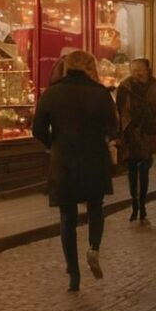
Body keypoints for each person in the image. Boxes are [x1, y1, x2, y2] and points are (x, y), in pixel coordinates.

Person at [33, 51, 118, 292]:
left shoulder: (52, 93)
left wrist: (53, 144)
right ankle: (93, 247)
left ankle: (74, 272)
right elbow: (113, 127)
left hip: (64, 161)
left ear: (66, 67)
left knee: (67, 217)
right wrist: (102, 138)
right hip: (93, 158)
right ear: (90, 68)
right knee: (95, 207)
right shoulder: (101, 94)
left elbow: (37, 128)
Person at [115, 57, 156, 224]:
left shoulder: (154, 86)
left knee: (144, 170)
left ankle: (143, 207)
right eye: (134, 69)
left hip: (148, 133)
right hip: (131, 134)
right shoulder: (125, 87)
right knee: (132, 171)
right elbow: (119, 111)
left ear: (147, 70)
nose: (137, 72)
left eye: (140, 69)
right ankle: (134, 205)